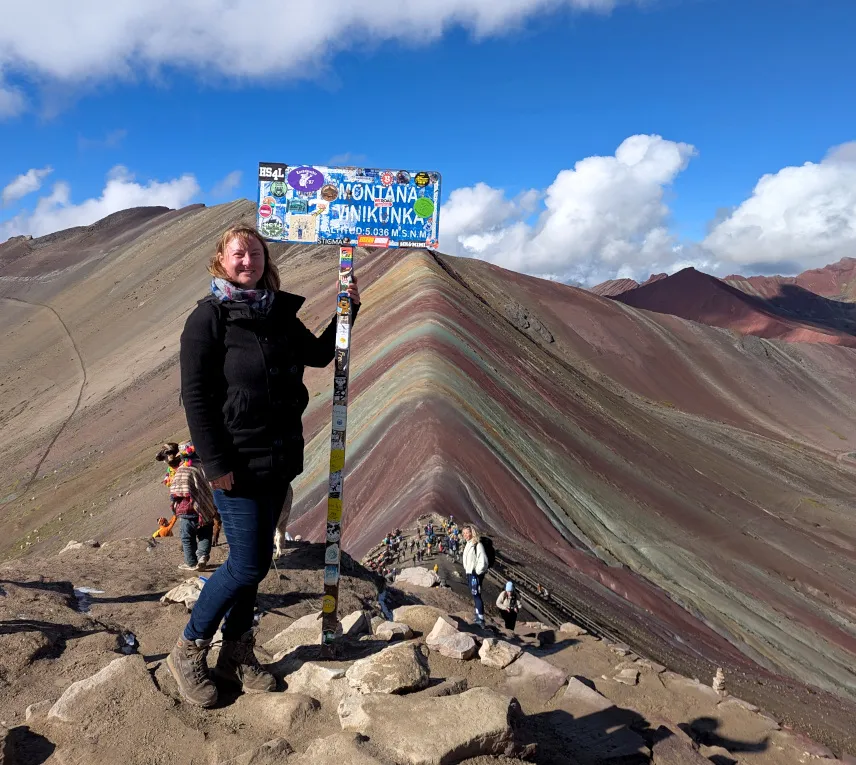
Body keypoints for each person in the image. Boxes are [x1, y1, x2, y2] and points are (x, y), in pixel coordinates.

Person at [167, 224, 361, 708]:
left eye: (254, 252)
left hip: (277, 458)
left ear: (266, 260)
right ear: (221, 261)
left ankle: (235, 653)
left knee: (253, 568)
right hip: (235, 461)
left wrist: (347, 306)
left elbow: (318, 354)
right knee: (247, 563)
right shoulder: (208, 319)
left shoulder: (276, 313)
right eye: (238, 253)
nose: (247, 259)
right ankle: (187, 649)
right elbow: (195, 397)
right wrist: (215, 463)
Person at [169, 442, 218, 572]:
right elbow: (209, 488)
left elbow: (175, 492)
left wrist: (173, 502)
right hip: (204, 508)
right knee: (205, 534)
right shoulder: (204, 468)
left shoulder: (181, 470)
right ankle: (202, 556)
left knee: (187, 538)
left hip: (187, 511)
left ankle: (191, 563)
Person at [461, 524, 489, 627]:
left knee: (477, 595)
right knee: (475, 594)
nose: (465, 535)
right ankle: (477, 615)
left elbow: (483, 561)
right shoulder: (469, 544)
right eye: (464, 533)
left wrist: (476, 572)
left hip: (475, 574)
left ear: (472, 532)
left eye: (467, 532)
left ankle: (481, 619)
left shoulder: (477, 545)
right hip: (469, 573)